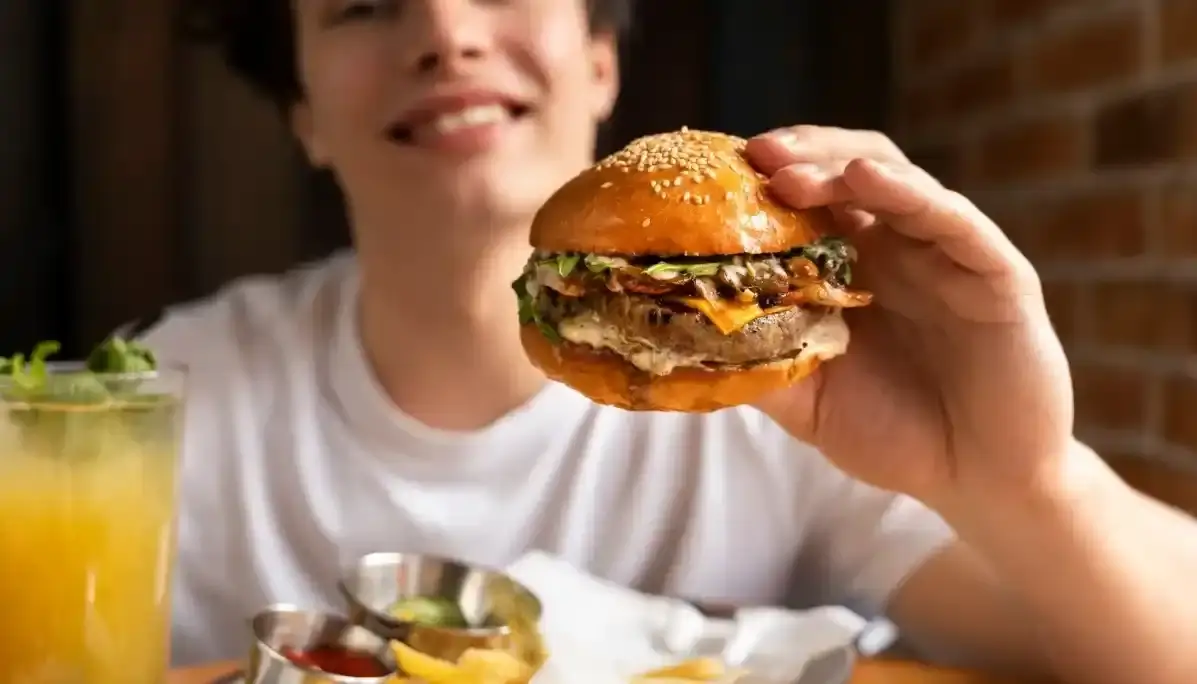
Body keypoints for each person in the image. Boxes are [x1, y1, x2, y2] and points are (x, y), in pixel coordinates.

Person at [145, 0, 1197, 681]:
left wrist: (1025, 483)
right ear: (303, 114)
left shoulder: (797, 391)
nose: (446, 30)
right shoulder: (159, 396)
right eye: (364, 3)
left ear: (601, 62)